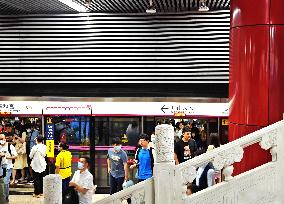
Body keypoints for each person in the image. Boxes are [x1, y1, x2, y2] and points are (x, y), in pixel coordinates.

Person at [0, 133, 17, 202]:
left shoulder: (10, 146)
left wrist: (7, 157)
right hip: (0, 167)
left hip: (7, 167)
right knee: (3, 183)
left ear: (5, 139)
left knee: (5, 182)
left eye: (2, 139)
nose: (1, 140)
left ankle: (5, 198)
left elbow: (15, 156)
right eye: (0, 139)